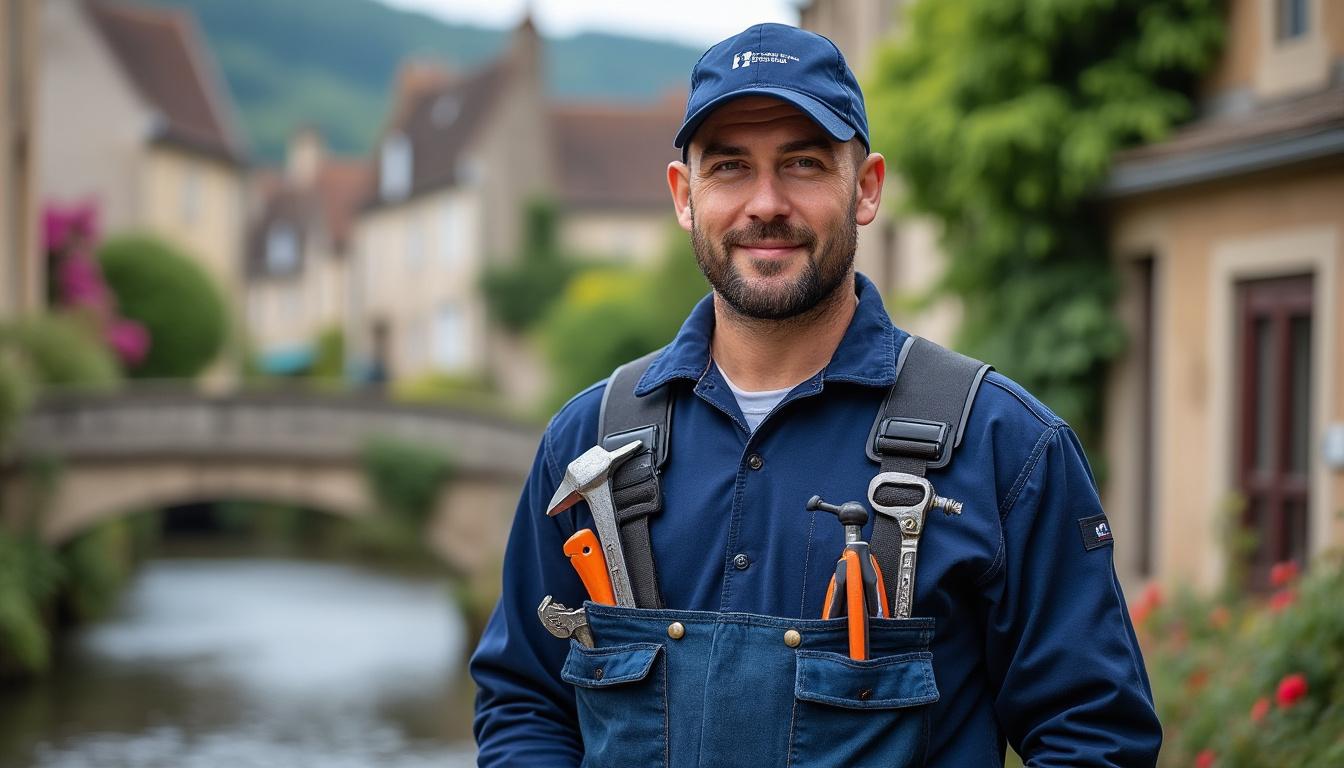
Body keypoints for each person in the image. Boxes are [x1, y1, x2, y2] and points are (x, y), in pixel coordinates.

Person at [471, 22, 1160, 767]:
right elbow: (524, 704)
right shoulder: (588, 439)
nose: (766, 204)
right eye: (731, 167)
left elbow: (1096, 740)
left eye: (802, 164)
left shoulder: (1004, 447)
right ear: (684, 195)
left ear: (865, 189)